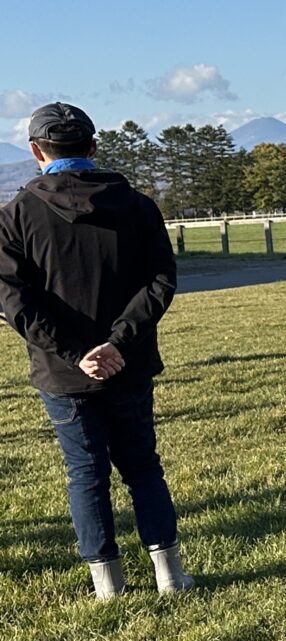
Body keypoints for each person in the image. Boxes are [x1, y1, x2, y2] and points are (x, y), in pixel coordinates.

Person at [0, 102, 192, 600]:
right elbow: (161, 280)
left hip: (63, 373)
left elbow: (13, 299)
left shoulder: (16, 214)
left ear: (36, 151)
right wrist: (118, 341)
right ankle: (170, 575)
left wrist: (75, 351)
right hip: (129, 363)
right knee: (143, 466)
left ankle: (107, 584)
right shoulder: (139, 206)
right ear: (92, 147)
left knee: (86, 474)